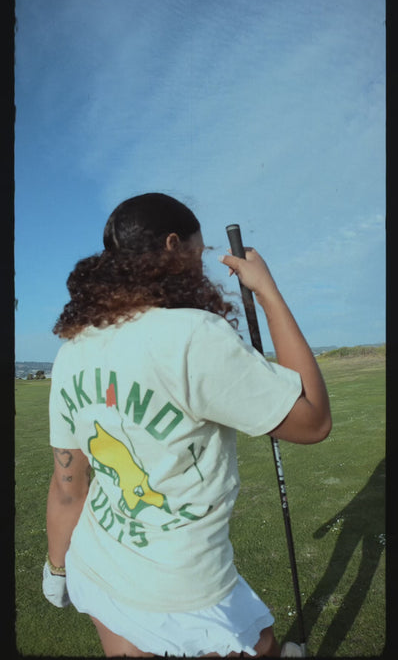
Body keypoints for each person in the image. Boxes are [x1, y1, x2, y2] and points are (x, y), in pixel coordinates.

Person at [43, 192, 331, 658]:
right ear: (175, 246)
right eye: (200, 251)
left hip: (96, 566)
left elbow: (67, 486)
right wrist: (267, 290)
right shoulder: (193, 336)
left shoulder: (73, 349)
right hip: (183, 588)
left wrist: (57, 569)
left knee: (264, 642)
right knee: (263, 647)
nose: (203, 263)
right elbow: (313, 420)